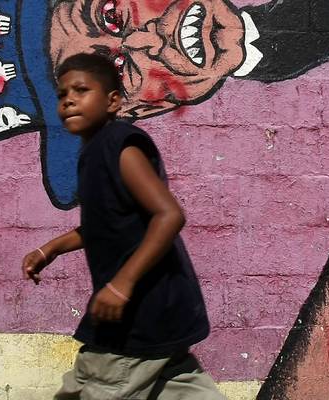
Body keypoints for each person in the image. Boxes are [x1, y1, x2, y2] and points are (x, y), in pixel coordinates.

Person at [21, 53, 225, 400]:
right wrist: (50, 249)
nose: (68, 99)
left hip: (137, 315)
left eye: (81, 90)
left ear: (112, 101)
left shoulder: (119, 146)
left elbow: (169, 216)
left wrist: (122, 285)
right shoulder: (94, 152)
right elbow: (105, 225)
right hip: (161, 314)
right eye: (62, 94)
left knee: (97, 385)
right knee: (176, 387)